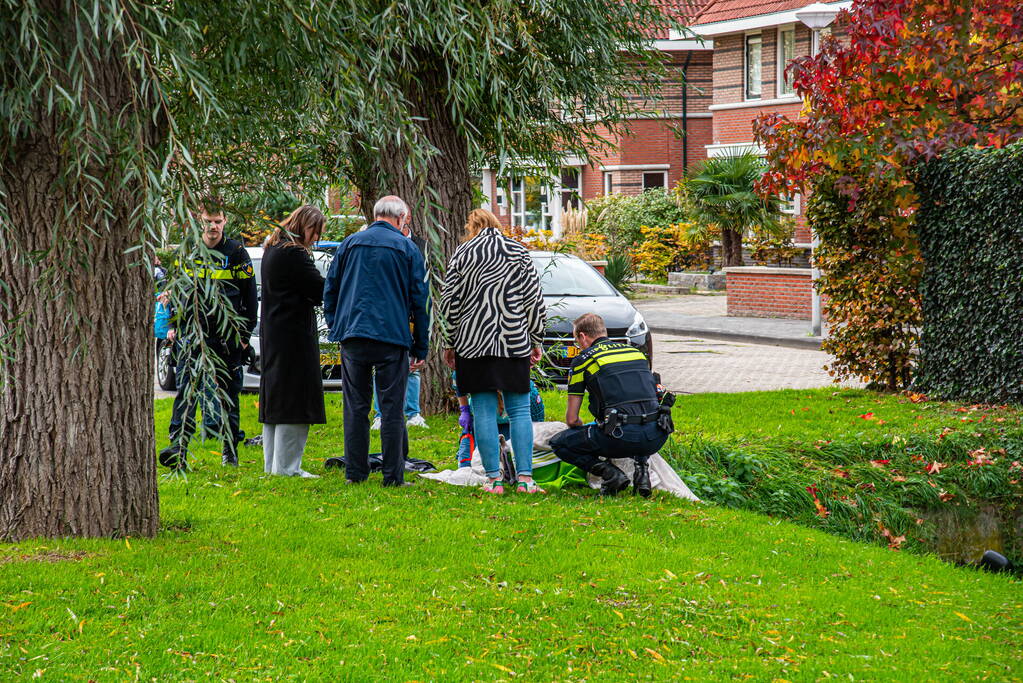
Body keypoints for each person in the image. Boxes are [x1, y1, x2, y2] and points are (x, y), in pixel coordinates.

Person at [323, 195, 430, 487]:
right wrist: (421, 345)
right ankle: (392, 475)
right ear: (402, 218)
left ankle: (355, 473)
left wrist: (336, 324)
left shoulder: (349, 244)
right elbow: (420, 300)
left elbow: (330, 289)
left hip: (353, 335)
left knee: (355, 406)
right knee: (392, 407)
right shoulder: (406, 247)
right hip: (391, 336)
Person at [441, 208, 546, 494]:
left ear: (471, 228)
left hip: (473, 344)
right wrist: (536, 340)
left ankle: (493, 479)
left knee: (483, 411)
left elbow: (449, 303)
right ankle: (525, 479)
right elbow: (534, 301)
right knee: (520, 410)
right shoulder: (519, 252)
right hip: (513, 342)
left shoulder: (462, 254)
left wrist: (449, 342)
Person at [158, 199, 258, 469]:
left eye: (218, 221)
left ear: (225, 222)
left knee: (229, 393)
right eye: (208, 221)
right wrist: (174, 326)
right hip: (194, 334)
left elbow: (250, 296)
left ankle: (230, 451)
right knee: (187, 392)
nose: (213, 226)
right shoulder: (189, 249)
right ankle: (178, 447)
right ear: (200, 222)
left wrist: (245, 335)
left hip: (228, 337)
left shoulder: (237, 251)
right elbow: (179, 290)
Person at [549, 313, 673, 497]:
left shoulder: (583, 360)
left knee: (559, 443)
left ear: (582, 336)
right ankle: (642, 473)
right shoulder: (636, 353)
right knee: (639, 412)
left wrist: (586, 427)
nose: (578, 345)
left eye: (576, 340)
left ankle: (611, 475)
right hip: (657, 436)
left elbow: (572, 419)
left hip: (620, 437)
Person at [259, 205, 327, 478]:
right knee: (295, 399)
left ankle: (273, 465)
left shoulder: (272, 248)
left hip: (275, 332)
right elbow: (319, 289)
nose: (316, 238)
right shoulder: (294, 253)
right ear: (304, 226)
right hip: (294, 335)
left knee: (276, 399)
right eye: (315, 231)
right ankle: (288, 467)